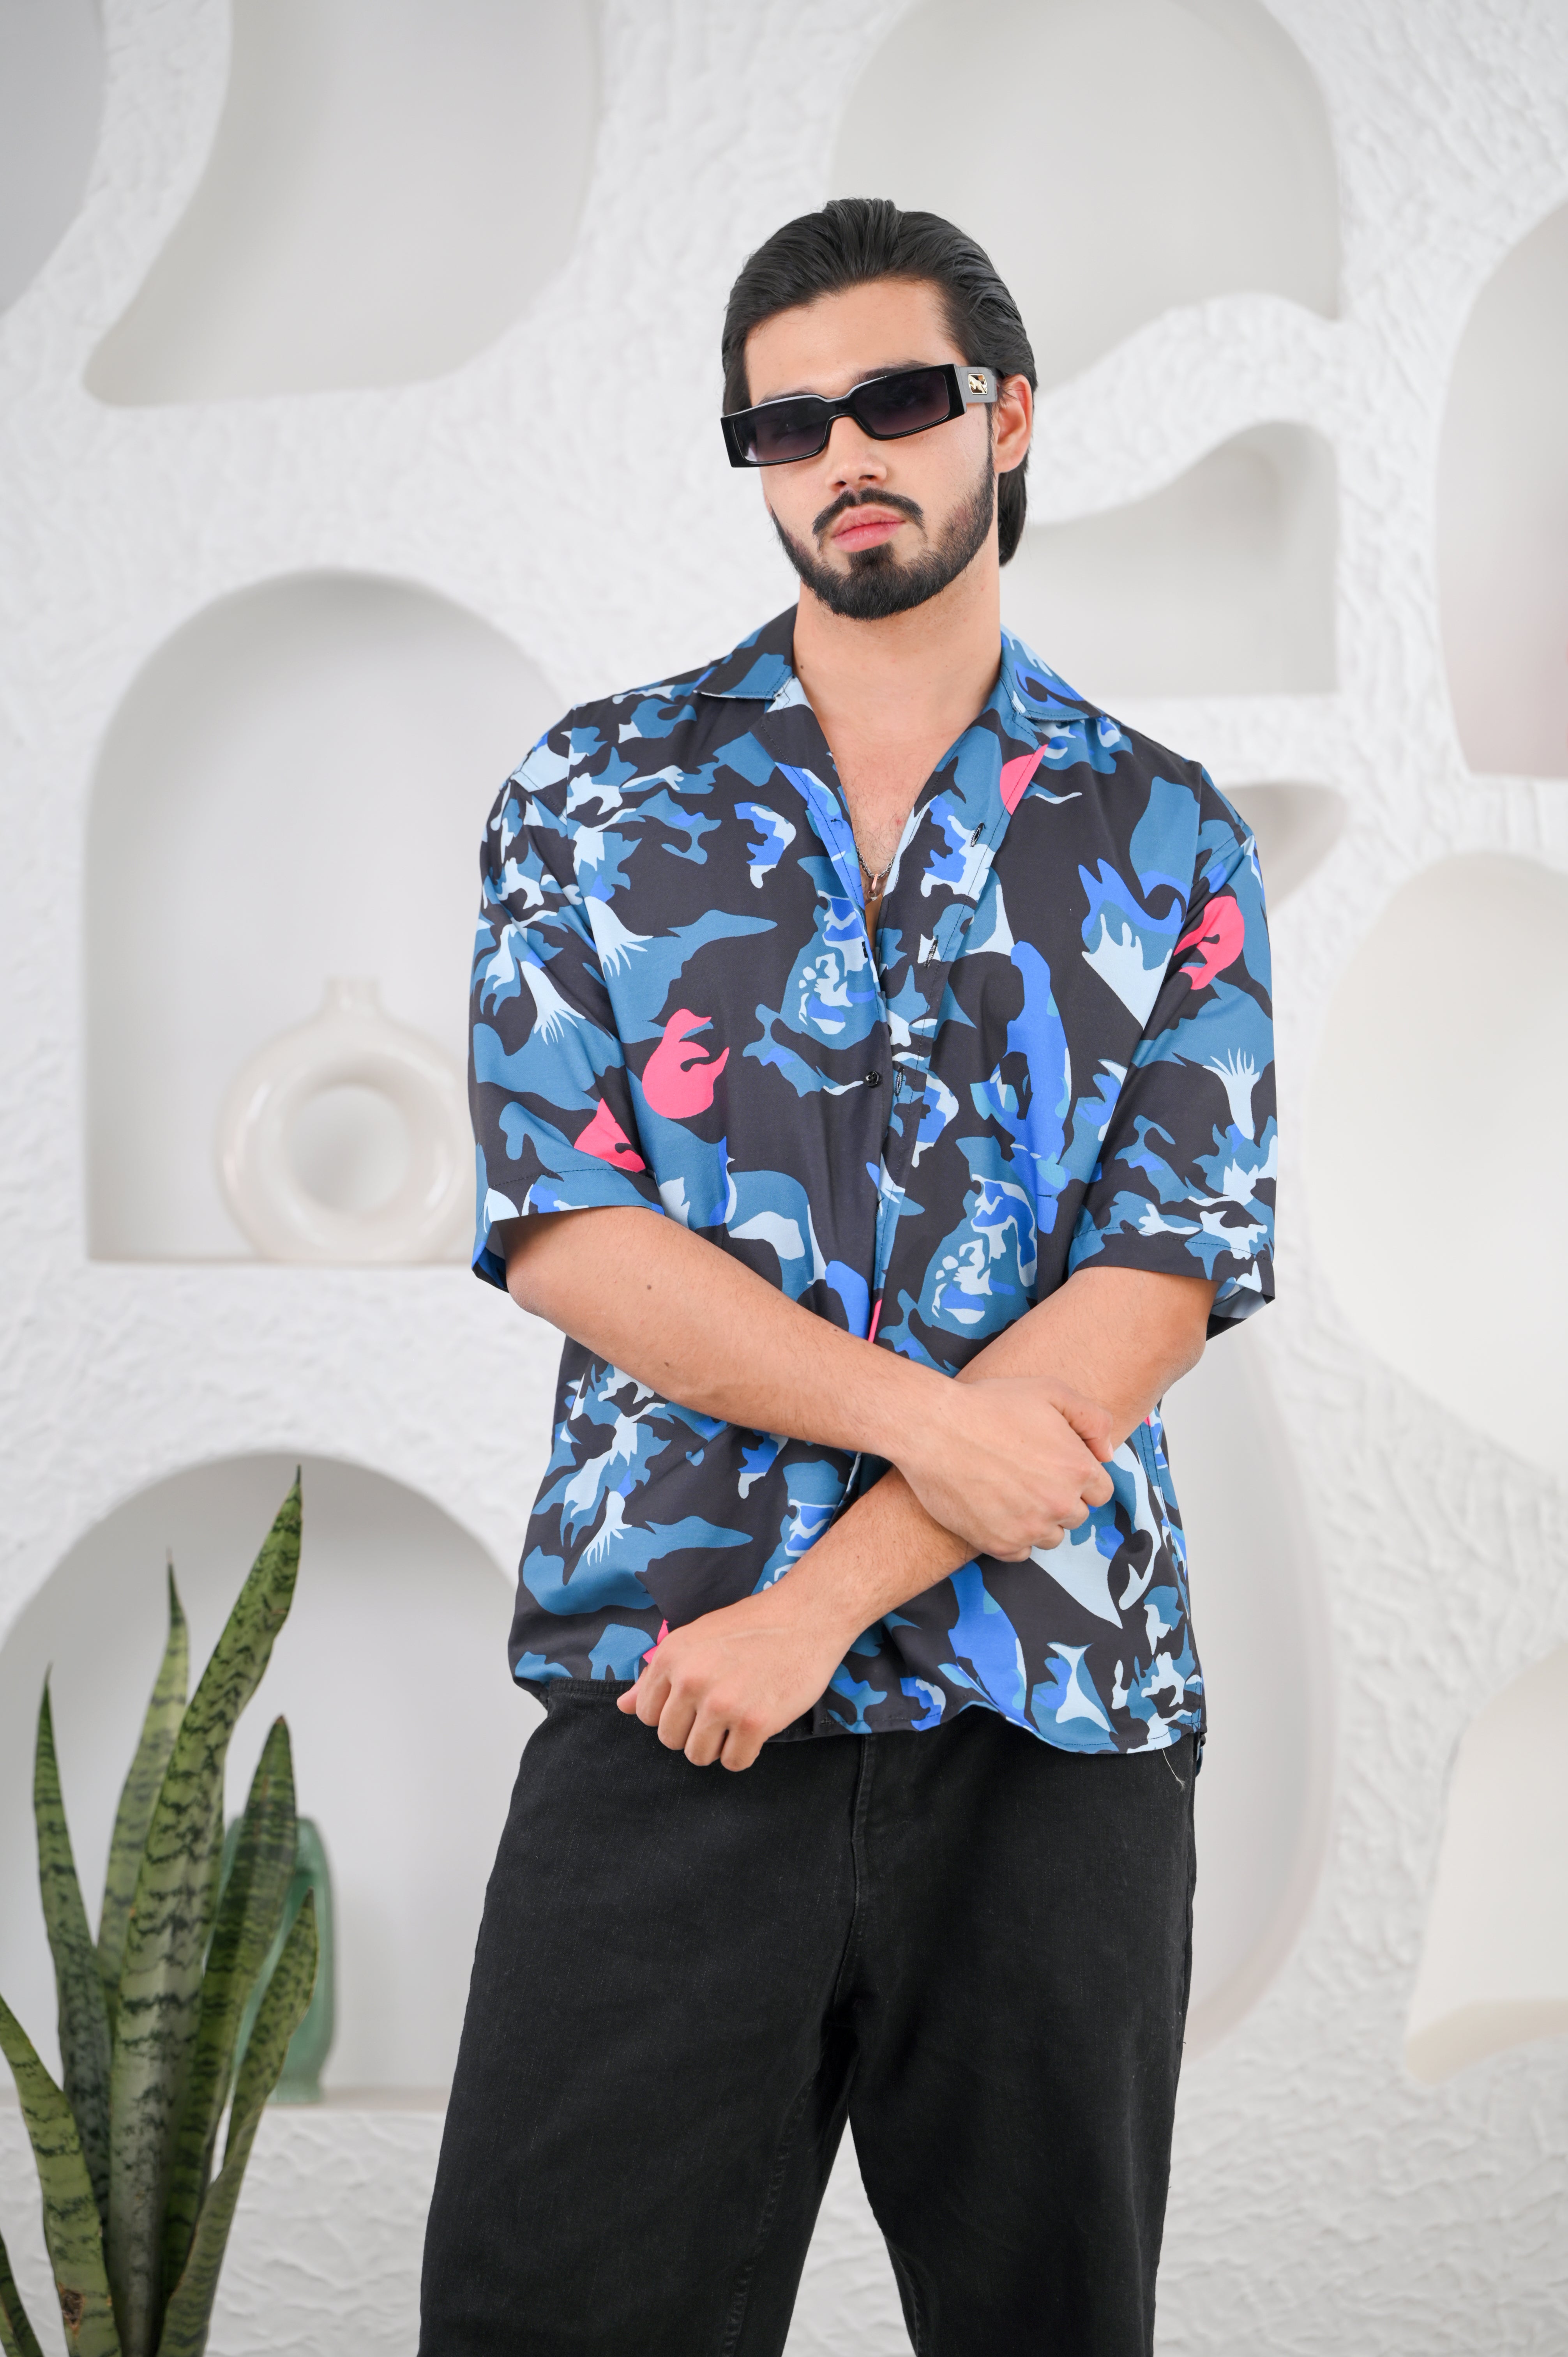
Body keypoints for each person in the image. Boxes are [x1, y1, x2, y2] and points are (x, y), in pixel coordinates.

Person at [420, 197, 1275, 2357]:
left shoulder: (1168, 832)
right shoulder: (593, 794)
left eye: (893, 400)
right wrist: (914, 1438)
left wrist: (819, 1606)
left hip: (1048, 1716)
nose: (843, 455)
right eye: (784, 425)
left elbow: (1158, 1278)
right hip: (671, 1686)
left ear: (1006, 415)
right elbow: (569, 1227)